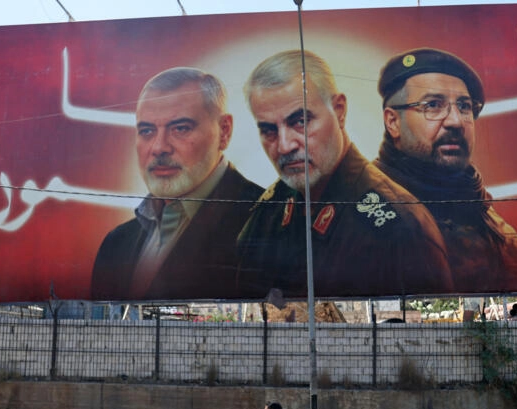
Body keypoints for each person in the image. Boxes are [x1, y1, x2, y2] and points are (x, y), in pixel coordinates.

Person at [235, 50, 453, 299]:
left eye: (300, 121)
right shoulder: (266, 213)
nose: (285, 146)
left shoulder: (401, 228)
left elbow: (424, 330)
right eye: (269, 130)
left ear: (339, 111)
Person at [91, 67, 262, 300]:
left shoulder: (266, 223)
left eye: (180, 128)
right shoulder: (116, 244)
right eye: (147, 130)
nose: (159, 147)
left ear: (224, 131)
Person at [374, 48, 517, 292]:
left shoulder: (497, 230)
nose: (456, 121)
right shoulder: (363, 209)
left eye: (465, 106)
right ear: (393, 122)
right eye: (433, 105)